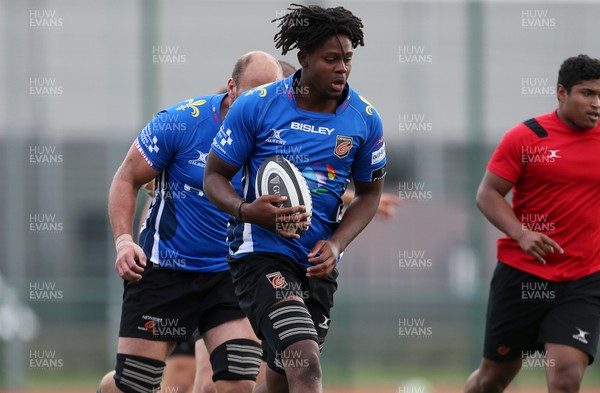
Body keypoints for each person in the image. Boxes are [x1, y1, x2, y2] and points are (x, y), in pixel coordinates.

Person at [204, 4, 386, 392]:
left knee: (283, 373)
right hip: (260, 255)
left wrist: (336, 244)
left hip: (318, 264)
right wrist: (246, 210)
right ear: (303, 58)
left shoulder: (365, 119)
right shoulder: (257, 106)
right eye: (331, 59)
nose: (342, 69)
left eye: (348, 59)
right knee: (305, 361)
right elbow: (213, 176)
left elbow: (370, 195)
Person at [98, 51, 283, 393]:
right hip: (164, 270)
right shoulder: (181, 122)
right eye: (251, 93)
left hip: (232, 273)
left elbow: (304, 186)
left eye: (268, 96)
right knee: (134, 386)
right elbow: (127, 178)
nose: (259, 105)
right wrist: (125, 240)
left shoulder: (282, 137)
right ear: (231, 88)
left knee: (236, 384)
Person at [465, 54, 600, 392]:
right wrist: (521, 233)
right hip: (522, 275)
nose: (596, 103)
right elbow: (488, 193)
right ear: (561, 92)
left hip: (582, 281)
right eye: (587, 93)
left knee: (566, 377)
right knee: (491, 380)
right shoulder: (527, 137)